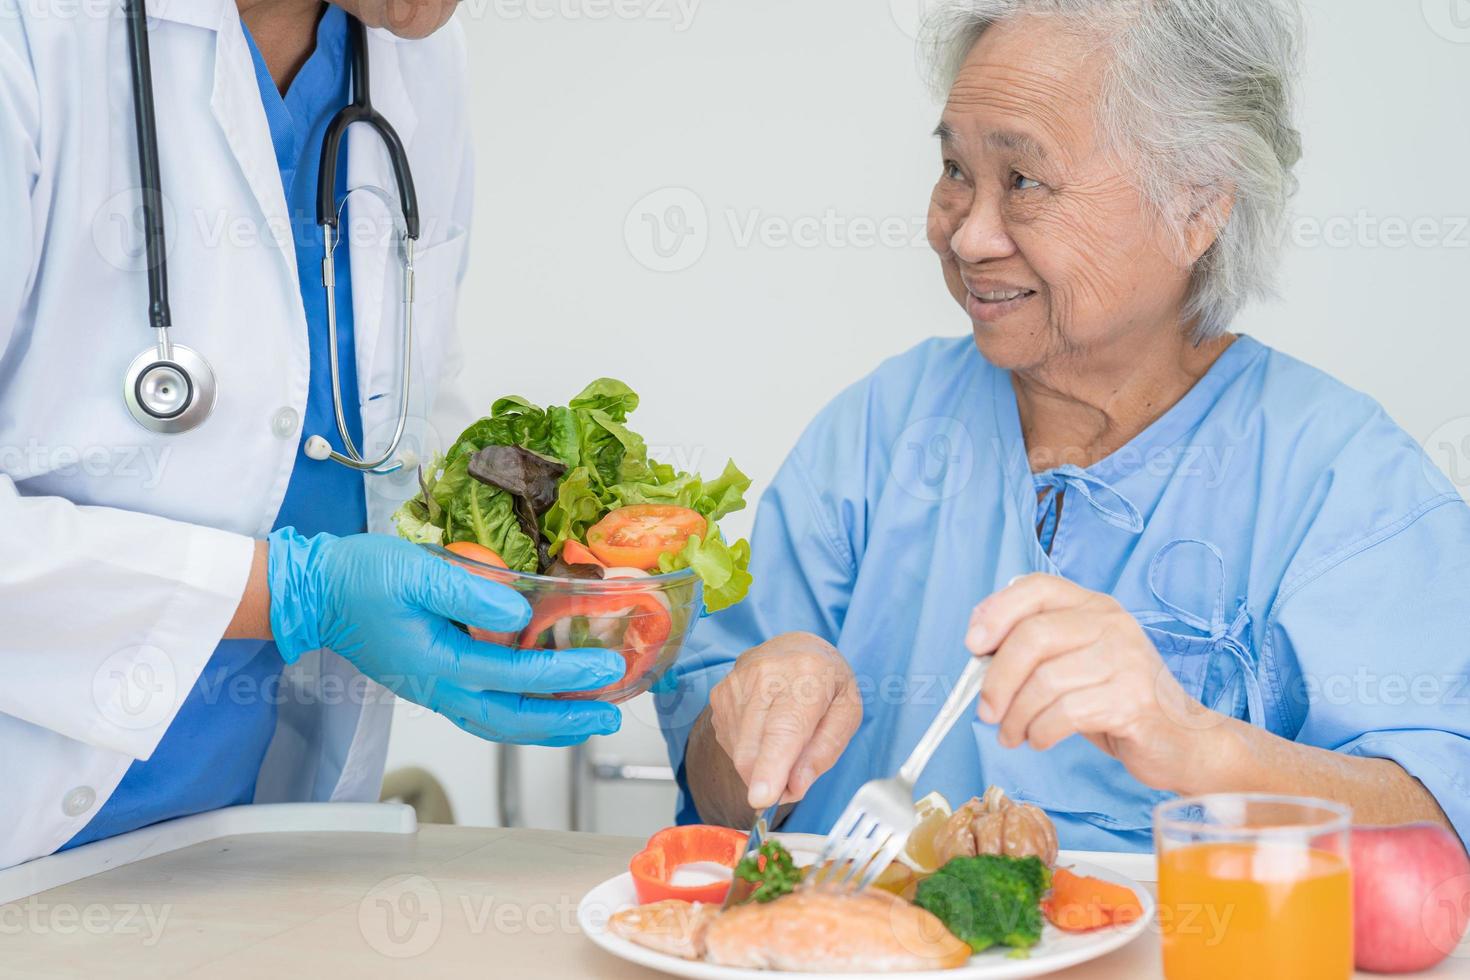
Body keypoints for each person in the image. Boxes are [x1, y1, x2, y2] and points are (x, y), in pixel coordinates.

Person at [659, 0, 1470, 854]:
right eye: (955, 170)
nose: (967, 234)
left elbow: (1440, 830)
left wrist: (1201, 745)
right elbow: (718, 799)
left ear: (1196, 207)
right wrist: (747, 722)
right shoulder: (878, 432)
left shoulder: (1345, 482)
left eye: (1024, 181)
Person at [0, 0, 621, 870]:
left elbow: (408, 395)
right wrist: (298, 592)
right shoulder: (32, 34)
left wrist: (524, 563)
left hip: (253, 837)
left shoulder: (415, 54)